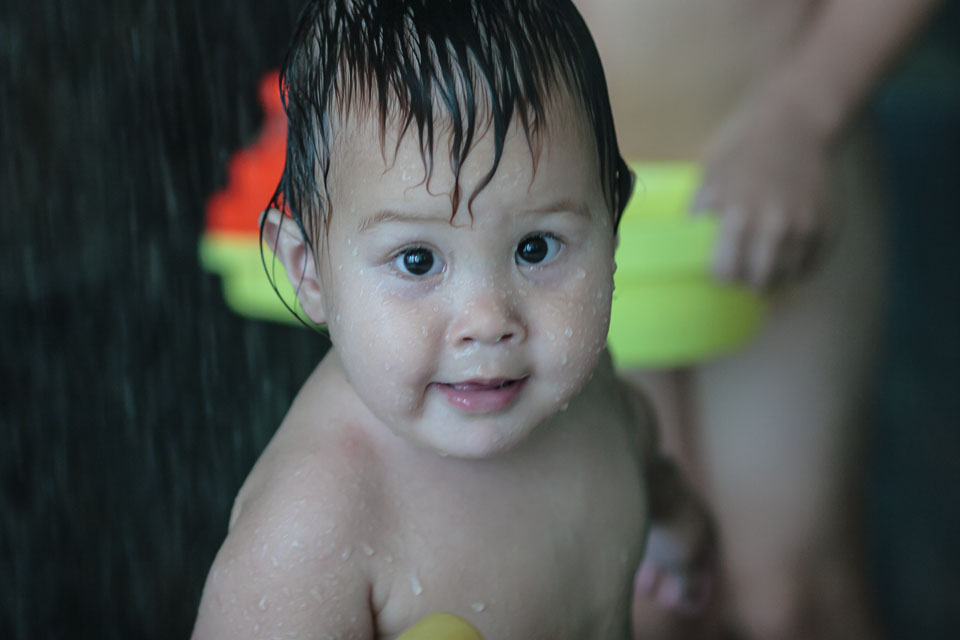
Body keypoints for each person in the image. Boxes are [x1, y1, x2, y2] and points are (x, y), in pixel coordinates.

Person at [191, 1, 714, 638]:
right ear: (309, 272)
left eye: (536, 248)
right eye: (417, 260)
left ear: (614, 222)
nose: (488, 321)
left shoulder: (595, 396)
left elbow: (644, 460)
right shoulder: (309, 536)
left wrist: (674, 529)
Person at [572, 1, 944, 639]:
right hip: (556, 207)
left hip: (785, 159)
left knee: (791, 599)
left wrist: (801, 118)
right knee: (644, 603)